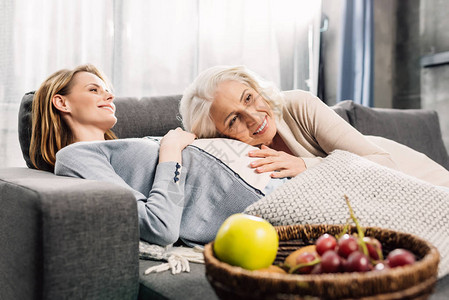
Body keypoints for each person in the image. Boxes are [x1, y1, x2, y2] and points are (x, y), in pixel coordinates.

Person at [29, 64, 268, 247]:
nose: (110, 96)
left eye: (108, 90)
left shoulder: (124, 148)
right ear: (62, 102)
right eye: (94, 90)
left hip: (270, 178)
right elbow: (160, 227)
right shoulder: (74, 157)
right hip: (261, 202)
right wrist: (171, 150)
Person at [179, 65, 449, 187]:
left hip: (417, 175)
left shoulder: (298, 105)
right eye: (234, 120)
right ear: (219, 135)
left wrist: (306, 166)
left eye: (249, 97)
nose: (253, 117)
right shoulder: (233, 156)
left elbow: (384, 163)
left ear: (256, 89)